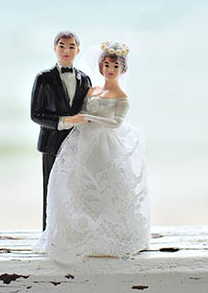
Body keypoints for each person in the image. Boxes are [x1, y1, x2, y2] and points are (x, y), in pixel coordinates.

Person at [33, 41, 151, 263]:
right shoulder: (93, 89)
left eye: (114, 67)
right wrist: (79, 118)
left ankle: (111, 234)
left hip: (104, 142)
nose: (110, 70)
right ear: (101, 66)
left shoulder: (121, 96)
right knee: (78, 182)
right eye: (106, 65)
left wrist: (90, 119)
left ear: (122, 69)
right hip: (83, 139)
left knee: (106, 182)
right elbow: (82, 108)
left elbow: (115, 122)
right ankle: (79, 231)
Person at [30, 31, 92, 231]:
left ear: (78, 50)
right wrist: (65, 121)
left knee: (75, 190)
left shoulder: (85, 79)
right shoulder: (44, 78)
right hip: (52, 144)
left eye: (71, 46)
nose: (66, 51)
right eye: (62, 46)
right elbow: (36, 114)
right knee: (52, 190)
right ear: (55, 49)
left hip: (77, 144)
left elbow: (87, 110)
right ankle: (49, 233)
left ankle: (73, 233)